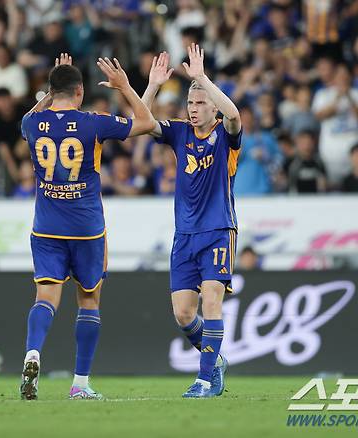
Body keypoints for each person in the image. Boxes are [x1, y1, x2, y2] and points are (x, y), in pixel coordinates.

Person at [19, 53, 156, 401]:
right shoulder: (93, 122)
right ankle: (80, 383)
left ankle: (33, 352)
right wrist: (125, 86)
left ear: (51, 91)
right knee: (89, 301)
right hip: (86, 229)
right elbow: (145, 121)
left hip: (46, 227)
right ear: (80, 91)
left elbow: (29, 116)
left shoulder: (32, 125)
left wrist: (51, 90)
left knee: (45, 297)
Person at [141, 47, 241, 398]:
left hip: (217, 230)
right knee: (184, 315)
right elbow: (142, 121)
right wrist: (153, 86)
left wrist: (202, 79)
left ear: (212, 107)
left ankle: (203, 380)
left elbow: (234, 115)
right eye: (191, 103)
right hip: (184, 235)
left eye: (201, 103)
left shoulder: (226, 137)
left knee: (212, 301)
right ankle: (215, 362)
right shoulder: (179, 133)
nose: (194, 109)